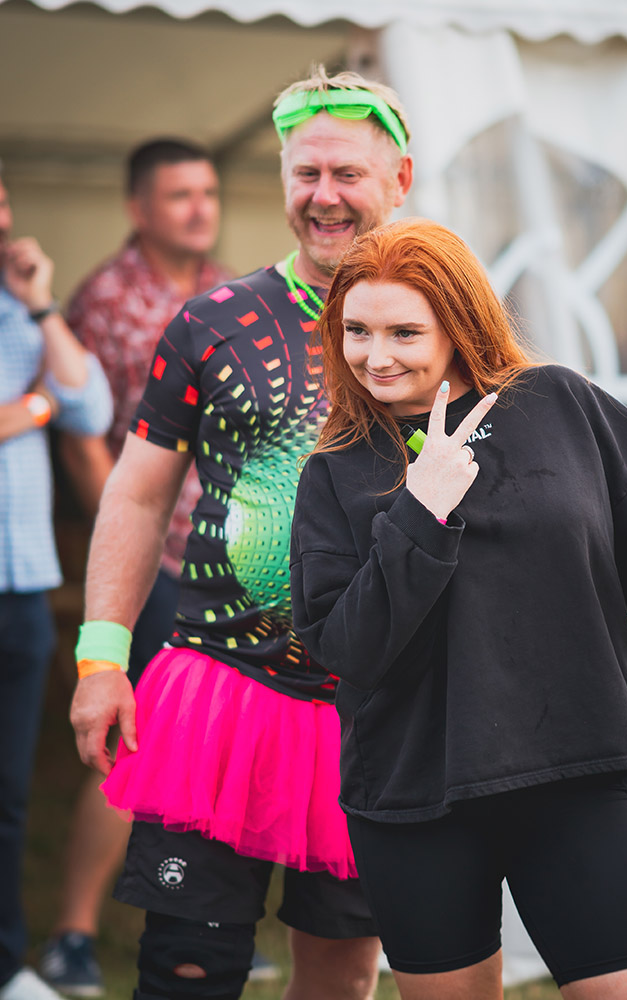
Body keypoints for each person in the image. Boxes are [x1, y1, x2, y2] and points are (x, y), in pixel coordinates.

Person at [289, 217, 627, 1000]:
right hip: (416, 793)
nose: (376, 355)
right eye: (357, 331)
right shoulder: (335, 469)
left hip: (574, 769)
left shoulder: (559, 403)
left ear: (459, 325)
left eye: (404, 332)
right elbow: (348, 649)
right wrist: (421, 511)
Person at [68, 67, 413, 1000]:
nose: (324, 196)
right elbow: (137, 497)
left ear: (400, 179)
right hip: (219, 694)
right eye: (306, 174)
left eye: (347, 173)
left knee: (341, 977)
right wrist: (102, 660)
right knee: (187, 968)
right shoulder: (212, 322)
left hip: (372, 710)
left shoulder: (442, 330)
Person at [38, 137, 251, 998]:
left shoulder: (227, 289)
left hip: (230, 560)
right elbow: (85, 440)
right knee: (135, 744)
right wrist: (134, 554)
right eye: (179, 195)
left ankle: (212, 921)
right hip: (157, 559)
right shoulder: (107, 300)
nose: (200, 209)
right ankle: (74, 934)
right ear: (137, 208)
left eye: (208, 193)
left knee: (222, 740)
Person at [0, 168, 112, 1000]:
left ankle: (6, 963)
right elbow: (51, 409)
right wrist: (32, 409)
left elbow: (88, 405)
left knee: (8, 794)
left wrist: (40, 304)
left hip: (23, 582)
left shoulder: (17, 313)